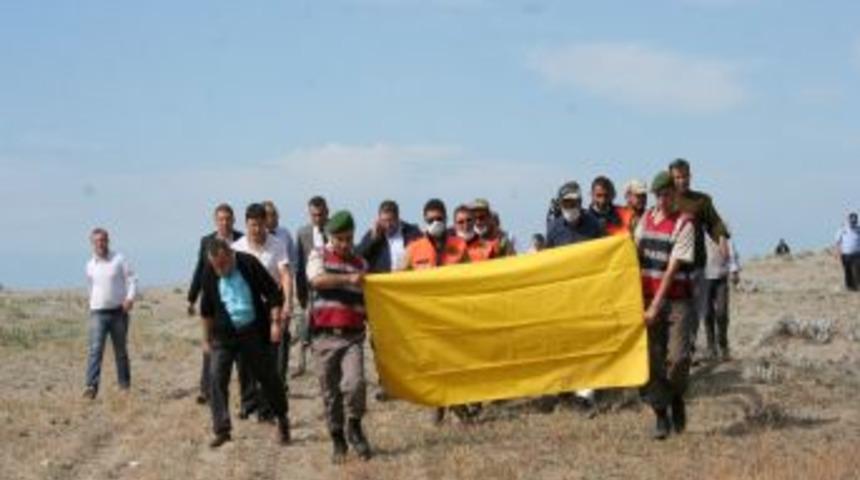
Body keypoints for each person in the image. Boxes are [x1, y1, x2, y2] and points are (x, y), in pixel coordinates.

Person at [200, 239, 290, 448]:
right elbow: (206, 311)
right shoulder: (209, 272)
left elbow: (274, 294)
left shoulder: (248, 263)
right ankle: (222, 429)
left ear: (231, 255)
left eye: (223, 264)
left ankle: (282, 419)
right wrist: (205, 340)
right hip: (223, 335)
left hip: (253, 331)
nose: (220, 269)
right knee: (216, 378)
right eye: (216, 266)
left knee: (268, 377)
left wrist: (275, 323)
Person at [307, 211, 373, 464]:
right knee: (330, 393)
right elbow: (316, 280)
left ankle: (354, 426)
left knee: (356, 383)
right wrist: (347, 279)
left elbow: (370, 300)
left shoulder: (362, 264)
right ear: (331, 238)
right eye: (340, 239)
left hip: (352, 337)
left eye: (349, 238)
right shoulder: (318, 255)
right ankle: (337, 439)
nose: (345, 244)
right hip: (324, 337)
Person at [635, 171, 696, 440]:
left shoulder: (685, 224)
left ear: (675, 193)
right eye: (659, 194)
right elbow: (633, 255)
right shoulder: (645, 221)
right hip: (646, 298)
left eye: (668, 193)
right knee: (652, 362)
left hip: (676, 301)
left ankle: (676, 397)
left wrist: (655, 307)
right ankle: (661, 415)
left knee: (679, 358)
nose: (664, 199)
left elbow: (672, 270)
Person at [400, 199, 470, 424]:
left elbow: (472, 277)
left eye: (440, 218)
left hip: (453, 316)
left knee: (453, 363)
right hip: (425, 317)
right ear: (424, 221)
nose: (436, 222)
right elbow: (396, 278)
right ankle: (442, 408)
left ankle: (456, 406)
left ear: (446, 219)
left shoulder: (460, 246)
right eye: (431, 219)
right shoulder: (413, 249)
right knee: (434, 364)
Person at [544, 181, 604, 412]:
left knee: (589, 342)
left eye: (575, 202)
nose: (571, 206)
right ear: (560, 204)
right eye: (567, 203)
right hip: (562, 298)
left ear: (581, 202)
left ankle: (587, 394)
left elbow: (605, 255)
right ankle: (565, 388)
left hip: (589, 295)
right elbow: (547, 263)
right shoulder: (553, 229)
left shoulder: (594, 225)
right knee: (566, 344)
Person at [186, 203, 250, 406]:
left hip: (238, 301)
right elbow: (199, 270)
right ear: (216, 221)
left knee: (241, 351)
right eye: (221, 219)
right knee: (211, 344)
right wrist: (192, 297)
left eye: (228, 219)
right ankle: (206, 390)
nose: (225, 222)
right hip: (213, 301)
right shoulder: (207, 241)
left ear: (233, 220)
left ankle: (246, 395)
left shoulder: (242, 240)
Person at [669, 159, 731, 356]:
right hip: (673, 267)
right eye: (677, 177)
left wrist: (721, 238)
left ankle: (690, 349)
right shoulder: (666, 201)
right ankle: (676, 350)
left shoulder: (701, 201)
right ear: (671, 178)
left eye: (685, 176)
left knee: (696, 311)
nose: (682, 181)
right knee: (677, 312)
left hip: (696, 266)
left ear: (690, 176)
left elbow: (714, 222)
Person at [233, 203, 294, 399]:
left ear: (265, 223)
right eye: (252, 225)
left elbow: (285, 274)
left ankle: (270, 399)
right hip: (246, 308)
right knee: (246, 355)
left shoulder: (277, 244)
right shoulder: (236, 248)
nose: (257, 230)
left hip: (272, 305)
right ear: (246, 224)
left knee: (272, 354)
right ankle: (249, 399)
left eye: (260, 225)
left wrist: (288, 303)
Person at [83, 228, 137, 400]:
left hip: (118, 313)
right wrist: (92, 303)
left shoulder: (119, 259)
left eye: (103, 240)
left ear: (108, 241)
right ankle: (91, 387)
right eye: (97, 241)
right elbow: (91, 286)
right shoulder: (90, 265)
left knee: (120, 351)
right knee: (95, 350)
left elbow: (132, 279)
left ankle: (124, 387)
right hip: (98, 313)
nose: (100, 243)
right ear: (92, 243)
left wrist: (129, 298)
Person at [294, 196, 330, 377]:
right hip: (311, 289)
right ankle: (301, 363)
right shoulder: (302, 233)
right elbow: (299, 265)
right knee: (306, 324)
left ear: (327, 212)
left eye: (321, 214)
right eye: (314, 215)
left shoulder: (335, 229)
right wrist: (300, 293)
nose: (317, 218)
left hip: (333, 287)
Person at [356, 199, 422, 273]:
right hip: (384, 281)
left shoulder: (412, 232)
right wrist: (372, 239)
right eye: (384, 221)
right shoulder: (373, 235)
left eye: (391, 220)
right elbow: (357, 256)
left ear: (398, 218)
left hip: (408, 279)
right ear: (379, 220)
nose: (388, 225)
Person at [704, 233, 741, 360]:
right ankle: (711, 347)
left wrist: (734, 271)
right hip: (704, 278)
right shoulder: (698, 230)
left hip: (721, 277)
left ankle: (723, 344)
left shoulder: (722, 233)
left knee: (722, 313)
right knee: (707, 314)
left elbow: (731, 252)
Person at [834, 212, 860, 291]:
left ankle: (857, 286)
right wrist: (838, 253)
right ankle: (850, 287)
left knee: (857, 270)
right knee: (847, 271)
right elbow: (838, 242)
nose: (853, 222)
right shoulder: (842, 229)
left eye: (854, 220)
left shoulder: (858, 229)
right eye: (851, 220)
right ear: (848, 220)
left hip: (857, 254)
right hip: (845, 255)